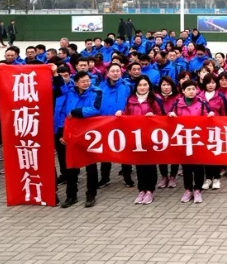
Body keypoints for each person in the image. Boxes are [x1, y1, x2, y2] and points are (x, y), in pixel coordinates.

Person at [54, 70, 103, 208]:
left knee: (90, 164)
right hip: (71, 133)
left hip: (88, 133)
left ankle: (91, 194)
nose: (86, 83)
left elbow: (95, 109)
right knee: (71, 165)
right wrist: (63, 134)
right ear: (76, 83)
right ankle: (71, 195)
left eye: (88, 80)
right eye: (83, 81)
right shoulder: (69, 92)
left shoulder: (96, 92)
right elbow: (63, 114)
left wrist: (76, 112)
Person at [115, 76, 164, 204]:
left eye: (145, 85)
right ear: (136, 86)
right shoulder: (130, 100)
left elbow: (162, 117)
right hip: (136, 137)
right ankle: (141, 189)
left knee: (150, 165)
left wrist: (154, 116)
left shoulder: (155, 99)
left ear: (149, 86)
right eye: (140, 85)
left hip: (150, 137)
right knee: (139, 165)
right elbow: (126, 114)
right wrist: (121, 114)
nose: (142, 87)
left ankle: (150, 190)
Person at [168, 80, 214, 203]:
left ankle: (198, 189)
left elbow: (207, 117)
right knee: (186, 166)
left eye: (193, 89)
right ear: (183, 91)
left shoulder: (202, 103)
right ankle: (188, 189)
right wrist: (171, 115)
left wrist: (210, 116)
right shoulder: (177, 103)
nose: (191, 91)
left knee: (198, 166)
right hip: (183, 139)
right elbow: (170, 118)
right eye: (188, 89)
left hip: (198, 139)